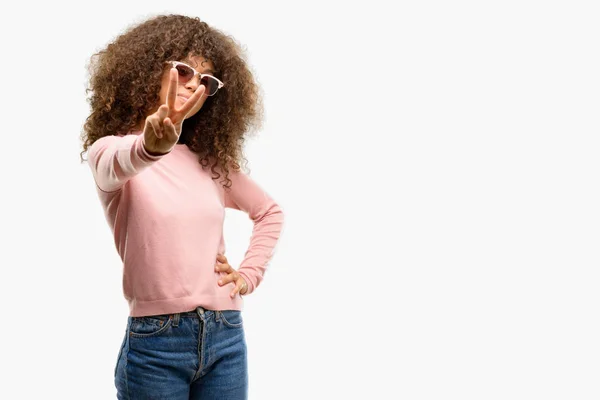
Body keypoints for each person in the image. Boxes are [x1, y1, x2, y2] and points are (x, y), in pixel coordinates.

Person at [80, 14, 284, 399]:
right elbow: (118, 165)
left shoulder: (210, 161)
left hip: (226, 336)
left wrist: (247, 275)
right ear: (147, 70)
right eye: (184, 69)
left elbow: (269, 211)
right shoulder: (110, 149)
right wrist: (150, 147)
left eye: (206, 79)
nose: (194, 82)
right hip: (156, 344)